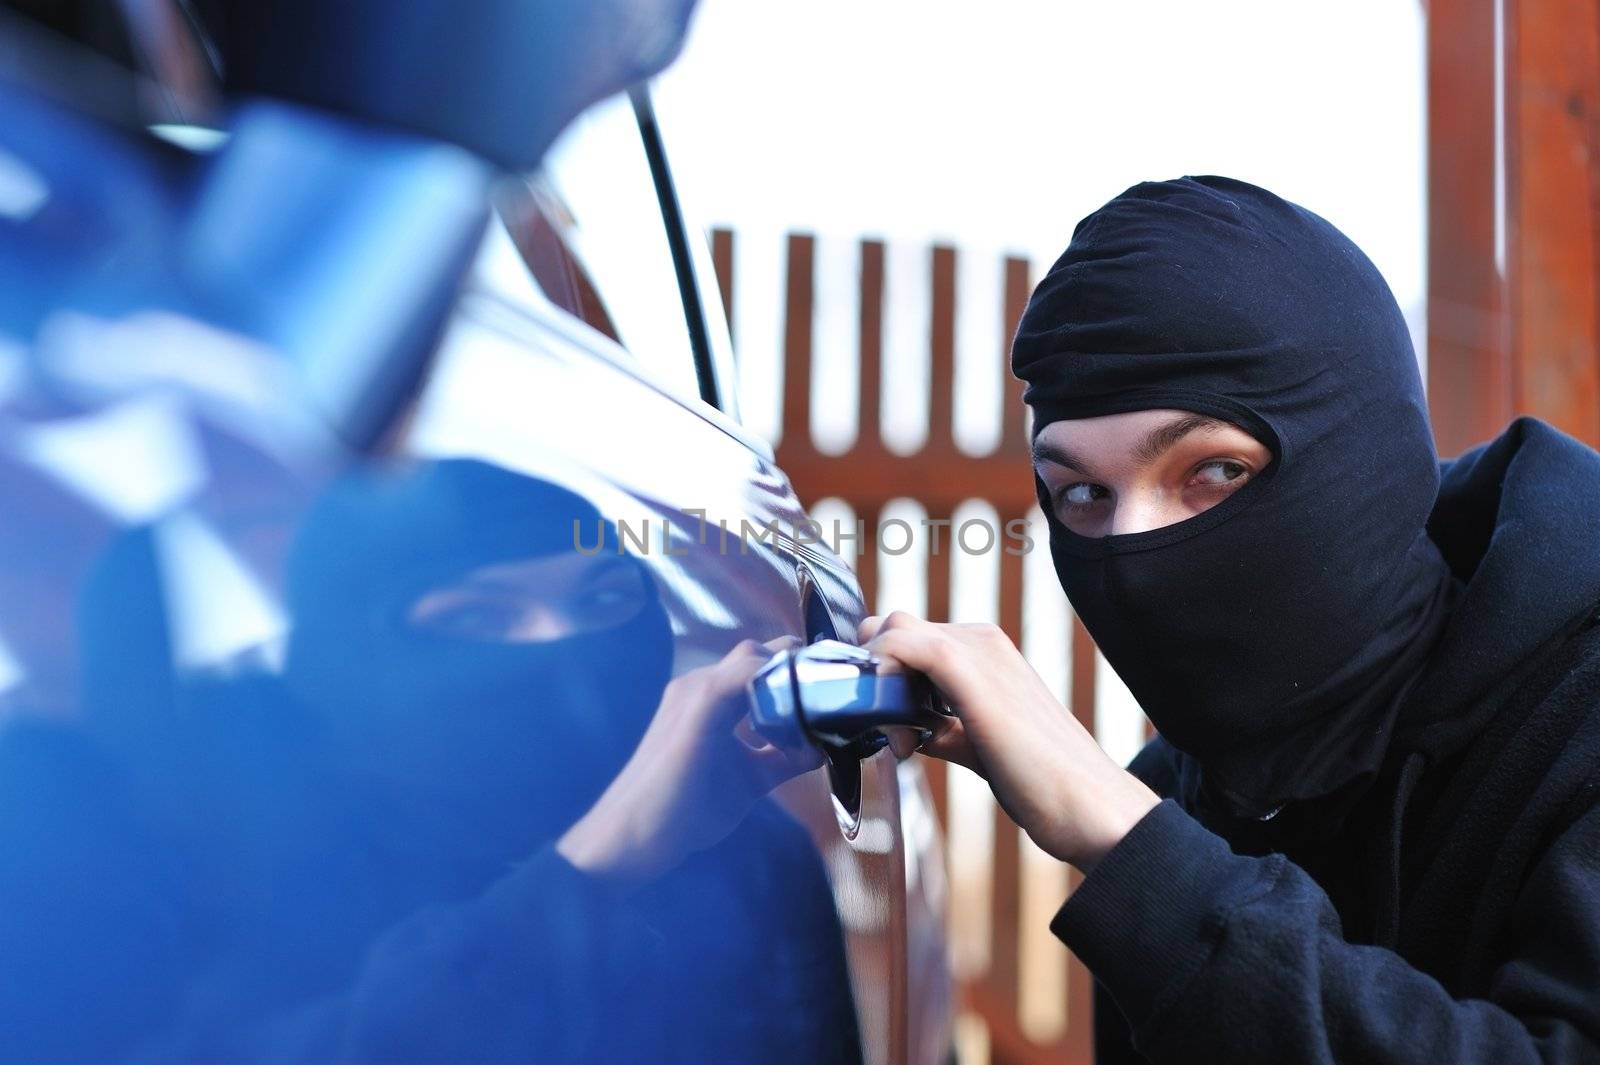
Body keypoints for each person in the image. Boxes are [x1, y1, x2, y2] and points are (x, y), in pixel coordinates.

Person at [864, 176, 1600, 1062]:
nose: (1131, 554)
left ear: (1362, 458)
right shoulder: (1178, 802)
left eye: (1212, 471)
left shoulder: (1578, 718)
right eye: (1084, 493)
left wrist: (1142, 857)